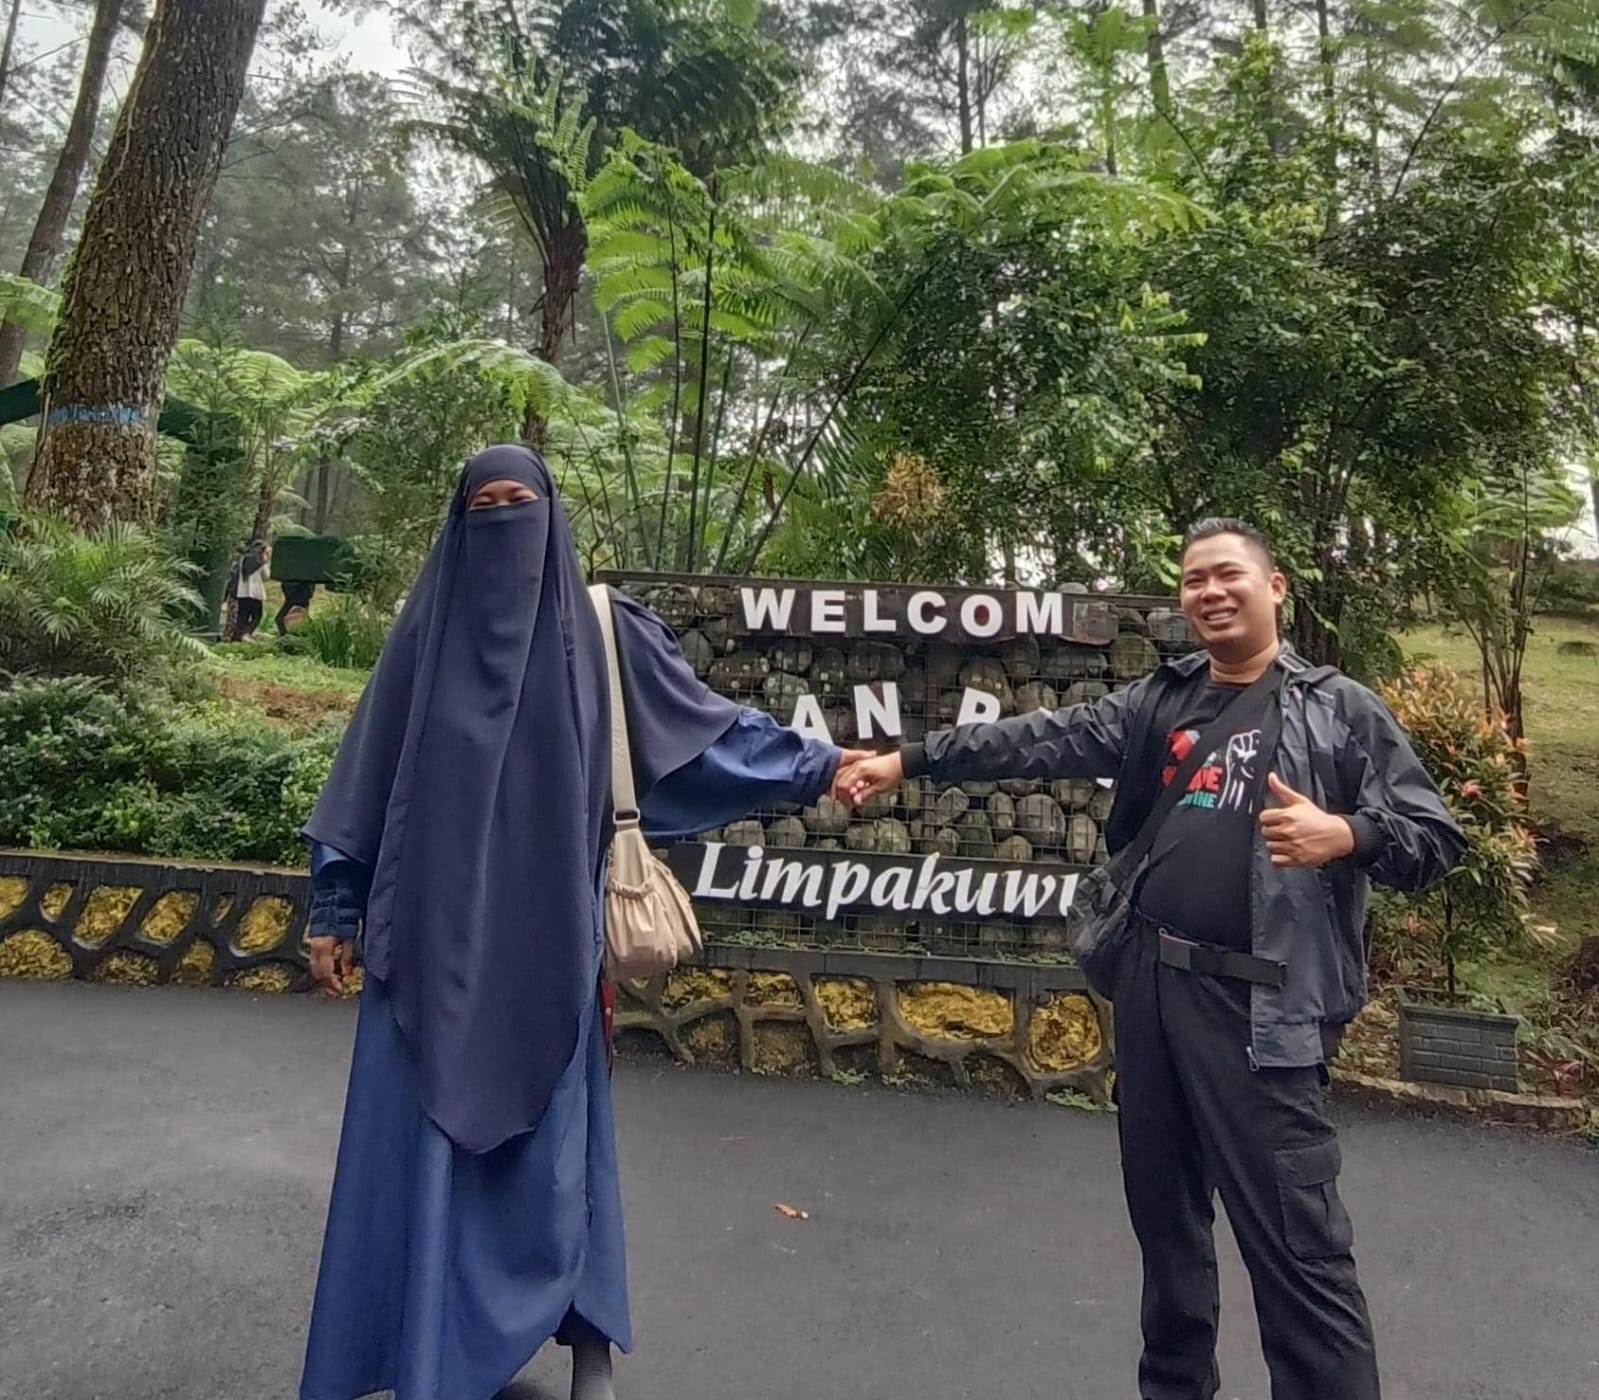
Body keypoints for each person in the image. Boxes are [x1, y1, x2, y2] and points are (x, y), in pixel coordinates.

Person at [838, 519, 1465, 1400]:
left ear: (1275, 588)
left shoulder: (1339, 711)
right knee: (1165, 1230)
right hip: (1152, 991)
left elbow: (1434, 839)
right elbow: (1038, 739)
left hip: (1260, 1014)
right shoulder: (1158, 703)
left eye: (1227, 576)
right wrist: (906, 760)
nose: (1209, 592)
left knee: (1297, 1247)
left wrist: (1344, 833)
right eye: (1193, 580)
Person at [298, 445, 864, 1400]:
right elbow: (362, 780)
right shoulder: (425, 638)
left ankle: (584, 1337)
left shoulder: (600, 633)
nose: (505, 523)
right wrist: (333, 906)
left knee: (552, 1156)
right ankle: (426, 1348)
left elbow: (709, 735)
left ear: (552, 517)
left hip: (549, 937)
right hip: (423, 947)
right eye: (486, 507)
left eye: (523, 504)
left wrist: (823, 763)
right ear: (458, 523)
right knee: (423, 1145)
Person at [224, 539, 269, 641]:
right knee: (257, 616)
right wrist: (266, 560)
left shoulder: (243, 559)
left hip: (242, 592)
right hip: (255, 593)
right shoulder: (260, 561)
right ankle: (246, 633)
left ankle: (236, 638)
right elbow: (266, 576)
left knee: (242, 616)